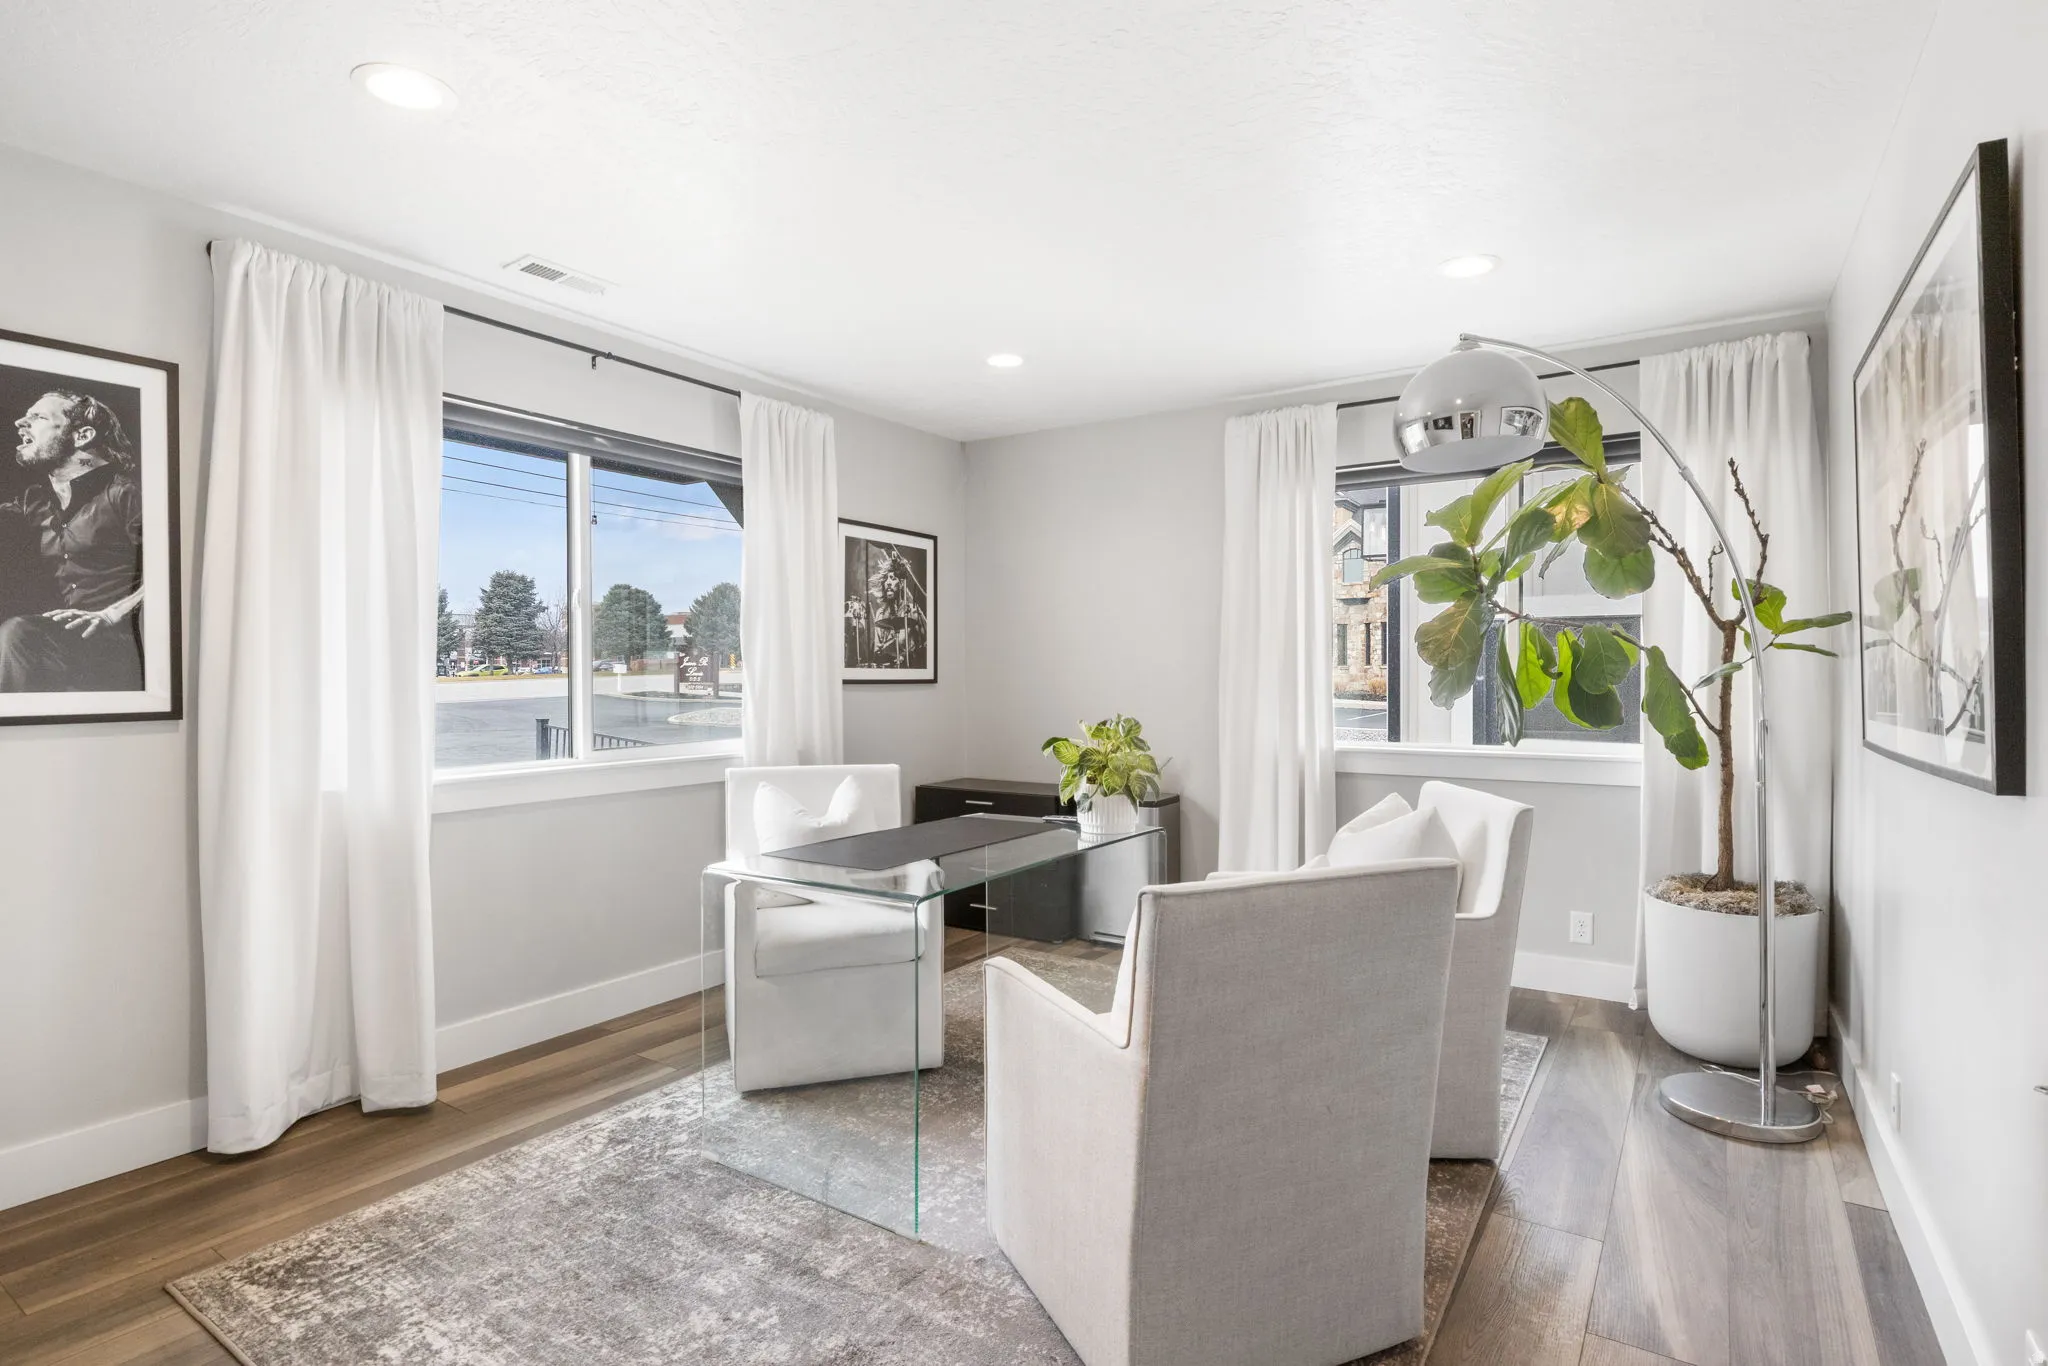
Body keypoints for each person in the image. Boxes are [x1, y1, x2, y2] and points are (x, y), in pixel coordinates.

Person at [0, 390, 145, 692]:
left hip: (119, 646)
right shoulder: (36, 500)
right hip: (68, 645)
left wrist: (110, 614)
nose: (19, 422)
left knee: (19, 634)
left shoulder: (125, 495)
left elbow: (175, 573)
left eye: (38, 417)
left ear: (82, 436)